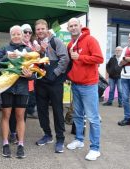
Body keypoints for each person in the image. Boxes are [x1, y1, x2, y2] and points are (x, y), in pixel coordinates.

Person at [66, 18, 104, 161]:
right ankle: (79, 140)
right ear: (68, 29)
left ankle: (95, 148)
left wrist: (80, 57)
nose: (74, 27)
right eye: (71, 26)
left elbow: (99, 58)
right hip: (75, 84)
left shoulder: (90, 40)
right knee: (77, 115)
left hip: (89, 85)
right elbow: (70, 64)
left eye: (76, 25)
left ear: (81, 26)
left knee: (93, 118)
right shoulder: (70, 44)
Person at [0, 25, 34, 159]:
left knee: (20, 116)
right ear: (10, 35)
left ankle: (21, 144)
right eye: (14, 34)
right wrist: (7, 58)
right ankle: (5, 143)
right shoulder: (4, 49)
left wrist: (30, 75)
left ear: (23, 36)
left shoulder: (28, 50)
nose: (16, 36)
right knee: (6, 115)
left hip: (22, 88)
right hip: (7, 87)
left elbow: (34, 73)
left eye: (19, 34)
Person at [34, 19, 69, 153]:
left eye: (42, 28)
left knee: (57, 110)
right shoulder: (35, 43)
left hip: (55, 82)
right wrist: (40, 52)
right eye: (38, 29)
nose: (40, 31)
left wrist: (55, 73)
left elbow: (65, 58)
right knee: (42, 110)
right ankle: (47, 135)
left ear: (47, 29)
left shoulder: (56, 41)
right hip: (41, 82)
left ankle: (60, 139)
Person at [117, 31, 130, 130]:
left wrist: (125, 59)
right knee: (125, 99)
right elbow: (120, 63)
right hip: (124, 77)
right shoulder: (125, 49)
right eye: (129, 37)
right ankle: (127, 118)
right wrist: (128, 59)